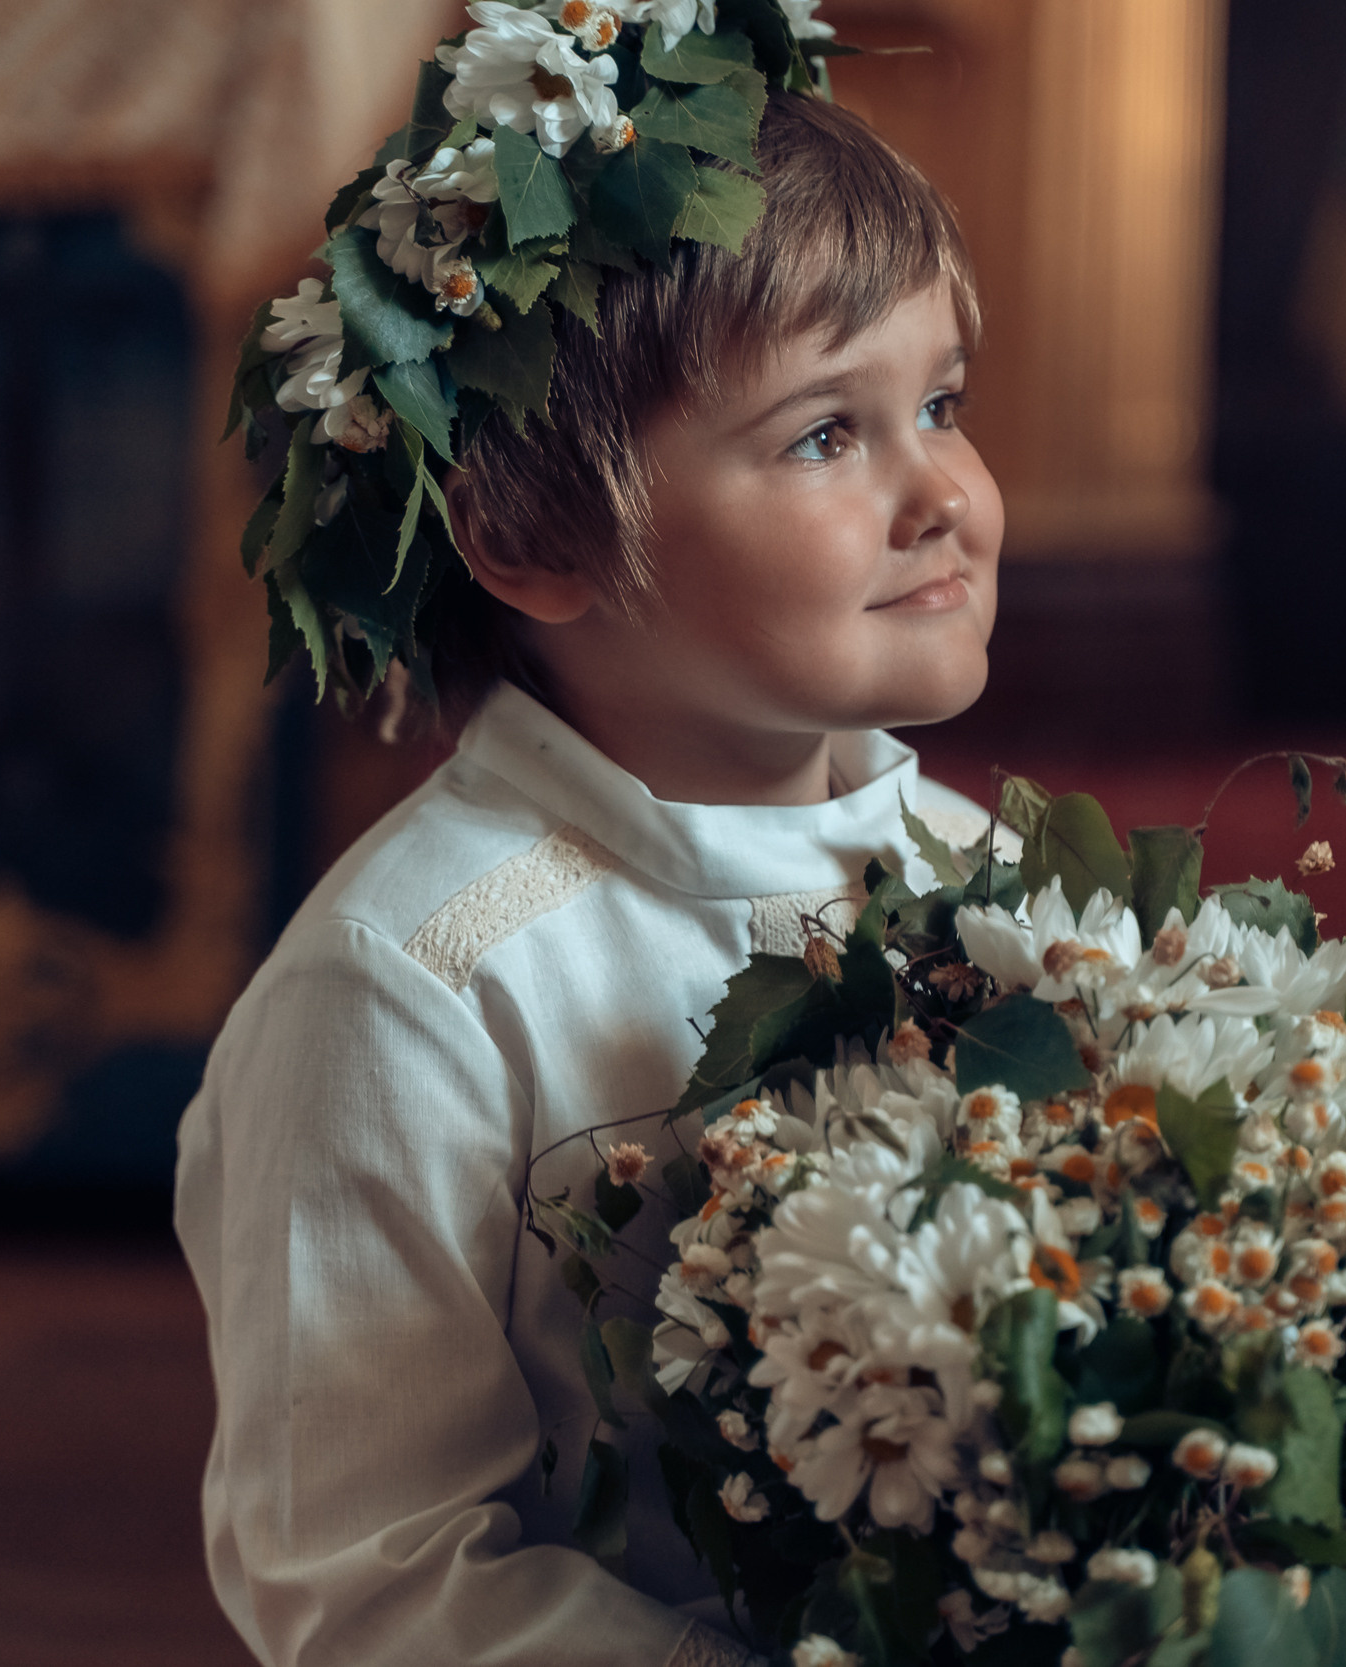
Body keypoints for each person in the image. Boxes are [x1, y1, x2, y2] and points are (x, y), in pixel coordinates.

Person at [172, 91, 1003, 1667]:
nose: (942, 493)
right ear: (529, 535)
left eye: (945, 404)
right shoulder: (410, 986)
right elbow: (367, 1576)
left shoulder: (995, 878)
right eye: (829, 433)